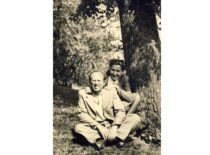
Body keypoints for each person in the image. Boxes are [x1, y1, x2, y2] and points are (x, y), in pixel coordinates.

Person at [74, 71, 141, 150]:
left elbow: (120, 111)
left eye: (98, 81)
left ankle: (103, 140)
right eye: (93, 80)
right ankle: (118, 138)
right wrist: (99, 127)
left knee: (135, 118)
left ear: (104, 82)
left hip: (111, 123)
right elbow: (81, 114)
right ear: (90, 82)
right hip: (95, 126)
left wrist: (114, 126)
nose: (96, 83)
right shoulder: (83, 94)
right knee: (78, 128)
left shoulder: (111, 92)